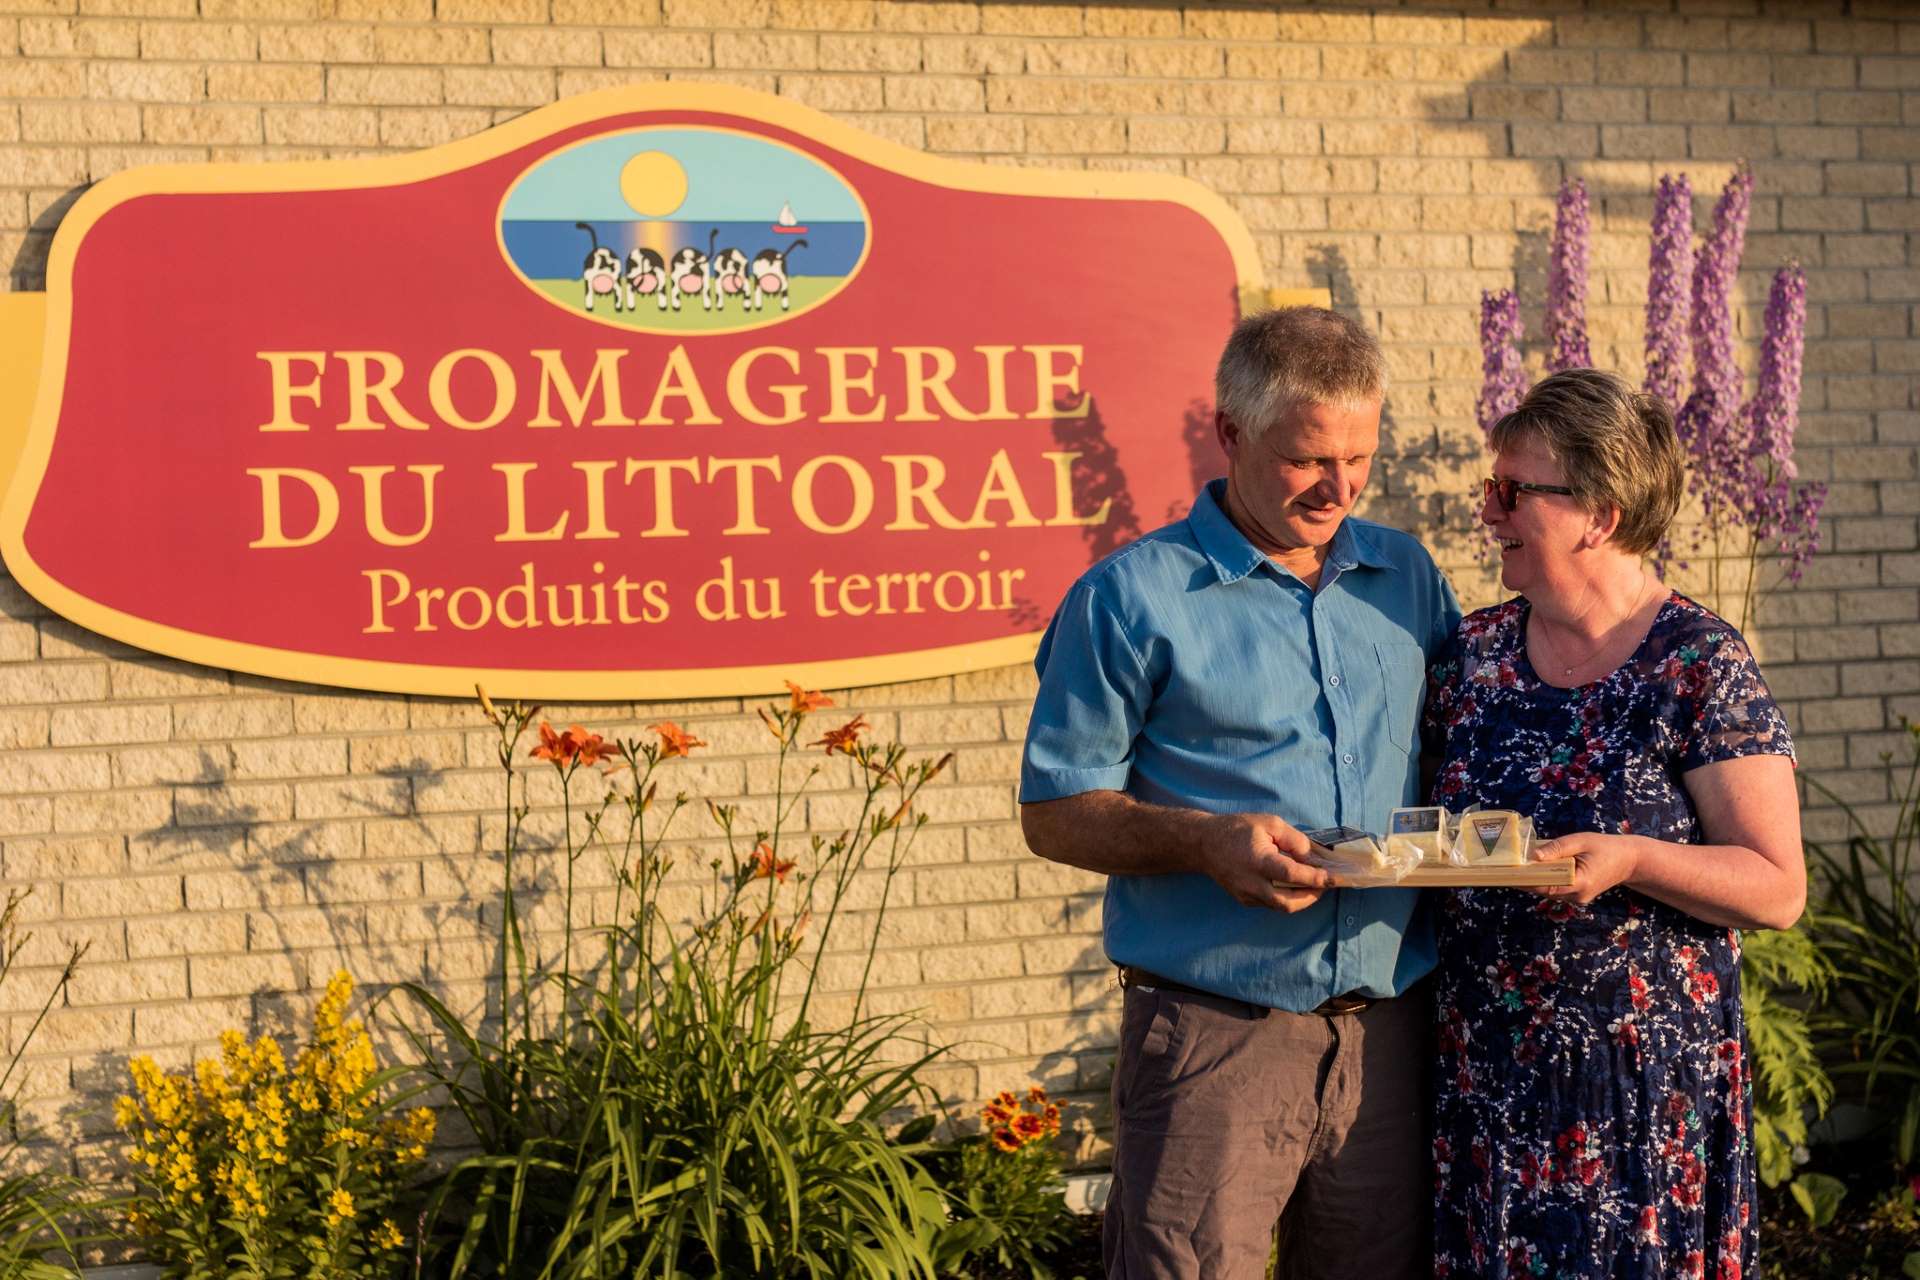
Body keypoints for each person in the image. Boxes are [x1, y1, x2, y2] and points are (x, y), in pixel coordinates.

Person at [1018, 306, 1460, 1280]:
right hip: (1214, 1038)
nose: (1339, 487)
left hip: (1388, 1036)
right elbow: (1052, 810)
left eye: (1360, 456)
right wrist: (1207, 840)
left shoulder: (1410, 578)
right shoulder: (1128, 598)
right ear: (1231, 433)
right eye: (1308, 459)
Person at [1423, 368, 1804, 1279]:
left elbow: (1777, 886)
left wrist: (1633, 856)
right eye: (1492, 488)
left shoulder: (1699, 664)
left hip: (1635, 1097)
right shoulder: (1472, 656)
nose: (1490, 512)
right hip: (1485, 1085)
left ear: (1598, 513)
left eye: (1512, 492)